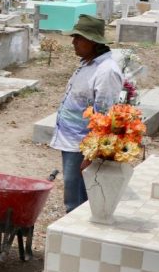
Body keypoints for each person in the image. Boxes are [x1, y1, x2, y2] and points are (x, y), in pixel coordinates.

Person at [51, 14, 123, 213]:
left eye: (78, 38)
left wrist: (91, 155)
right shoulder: (89, 63)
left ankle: (74, 237)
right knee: (73, 194)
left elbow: (106, 117)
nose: (73, 42)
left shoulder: (106, 71)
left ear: (93, 42)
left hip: (83, 146)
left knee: (78, 202)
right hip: (72, 142)